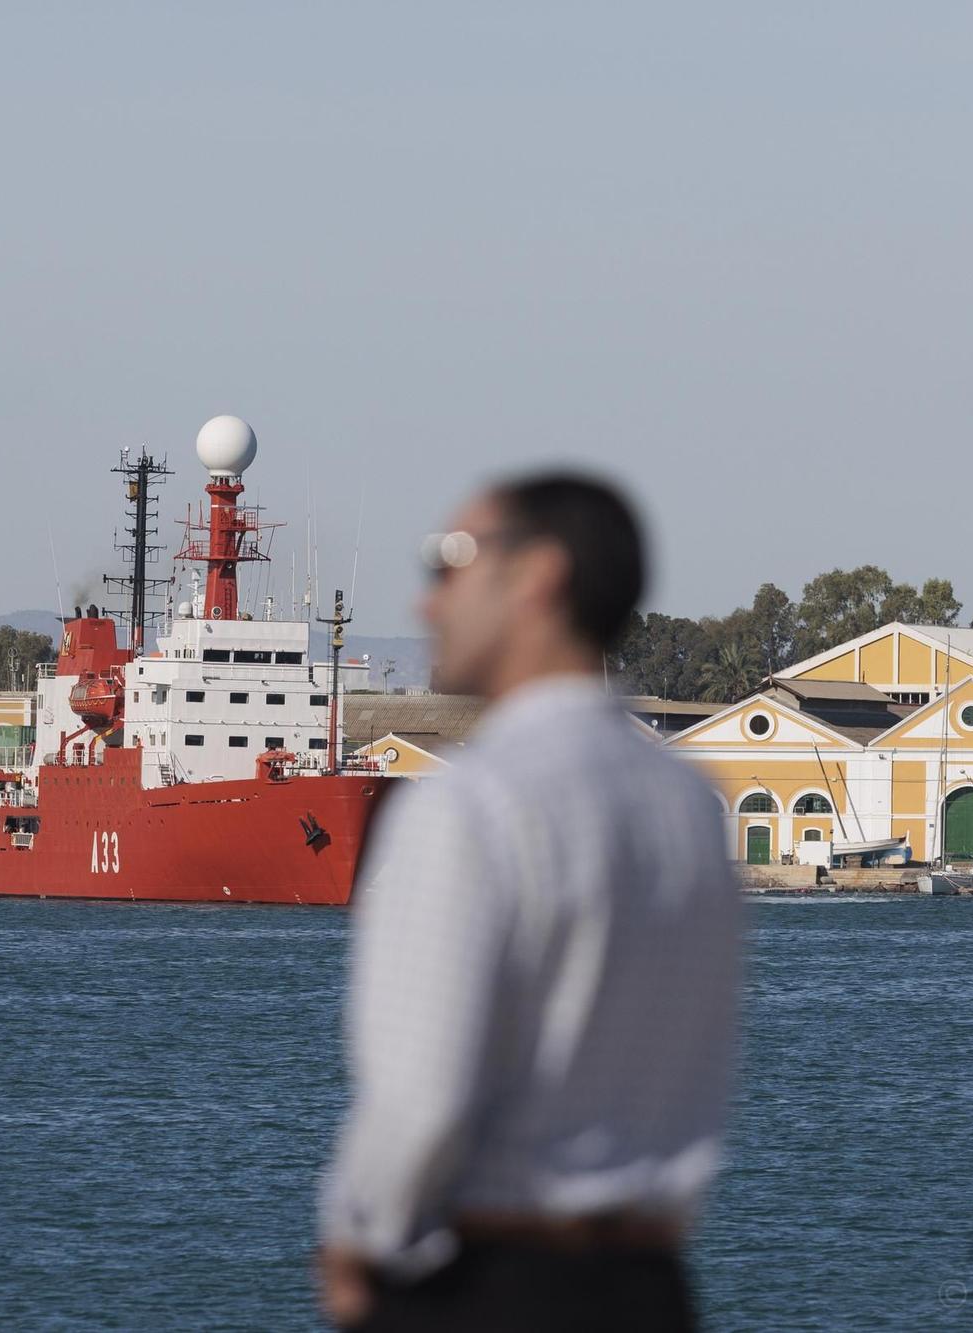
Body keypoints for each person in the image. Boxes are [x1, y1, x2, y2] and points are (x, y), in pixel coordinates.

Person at [318, 474, 740, 1332]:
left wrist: (357, 1236)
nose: (426, 600)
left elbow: (421, 1100)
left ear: (539, 574)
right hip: (653, 1289)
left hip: (487, 1287)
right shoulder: (690, 807)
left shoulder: (468, 803)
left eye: (449, 561)